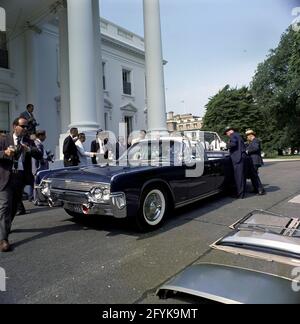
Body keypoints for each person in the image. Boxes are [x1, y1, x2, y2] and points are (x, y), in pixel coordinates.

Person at [224, 127, 248, 199]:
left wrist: (227, 145)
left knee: (238, 176)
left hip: (237, 158)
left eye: (227, 133)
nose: (227, 135)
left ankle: (240, 194)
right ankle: (242, 193)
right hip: (242, 156)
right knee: (242, 176)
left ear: (229, 132)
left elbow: (233, 144)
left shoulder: (233, 135)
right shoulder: (238, 135)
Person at [0, 131, 14, 252]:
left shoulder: (26, 140)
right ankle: (3, 239)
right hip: (4, 177)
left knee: (10, 206)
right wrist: (4, 152)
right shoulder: (3, 139)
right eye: (23, 126)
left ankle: (5, 230)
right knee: (4, 206)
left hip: (17, 177)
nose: (25, 128)